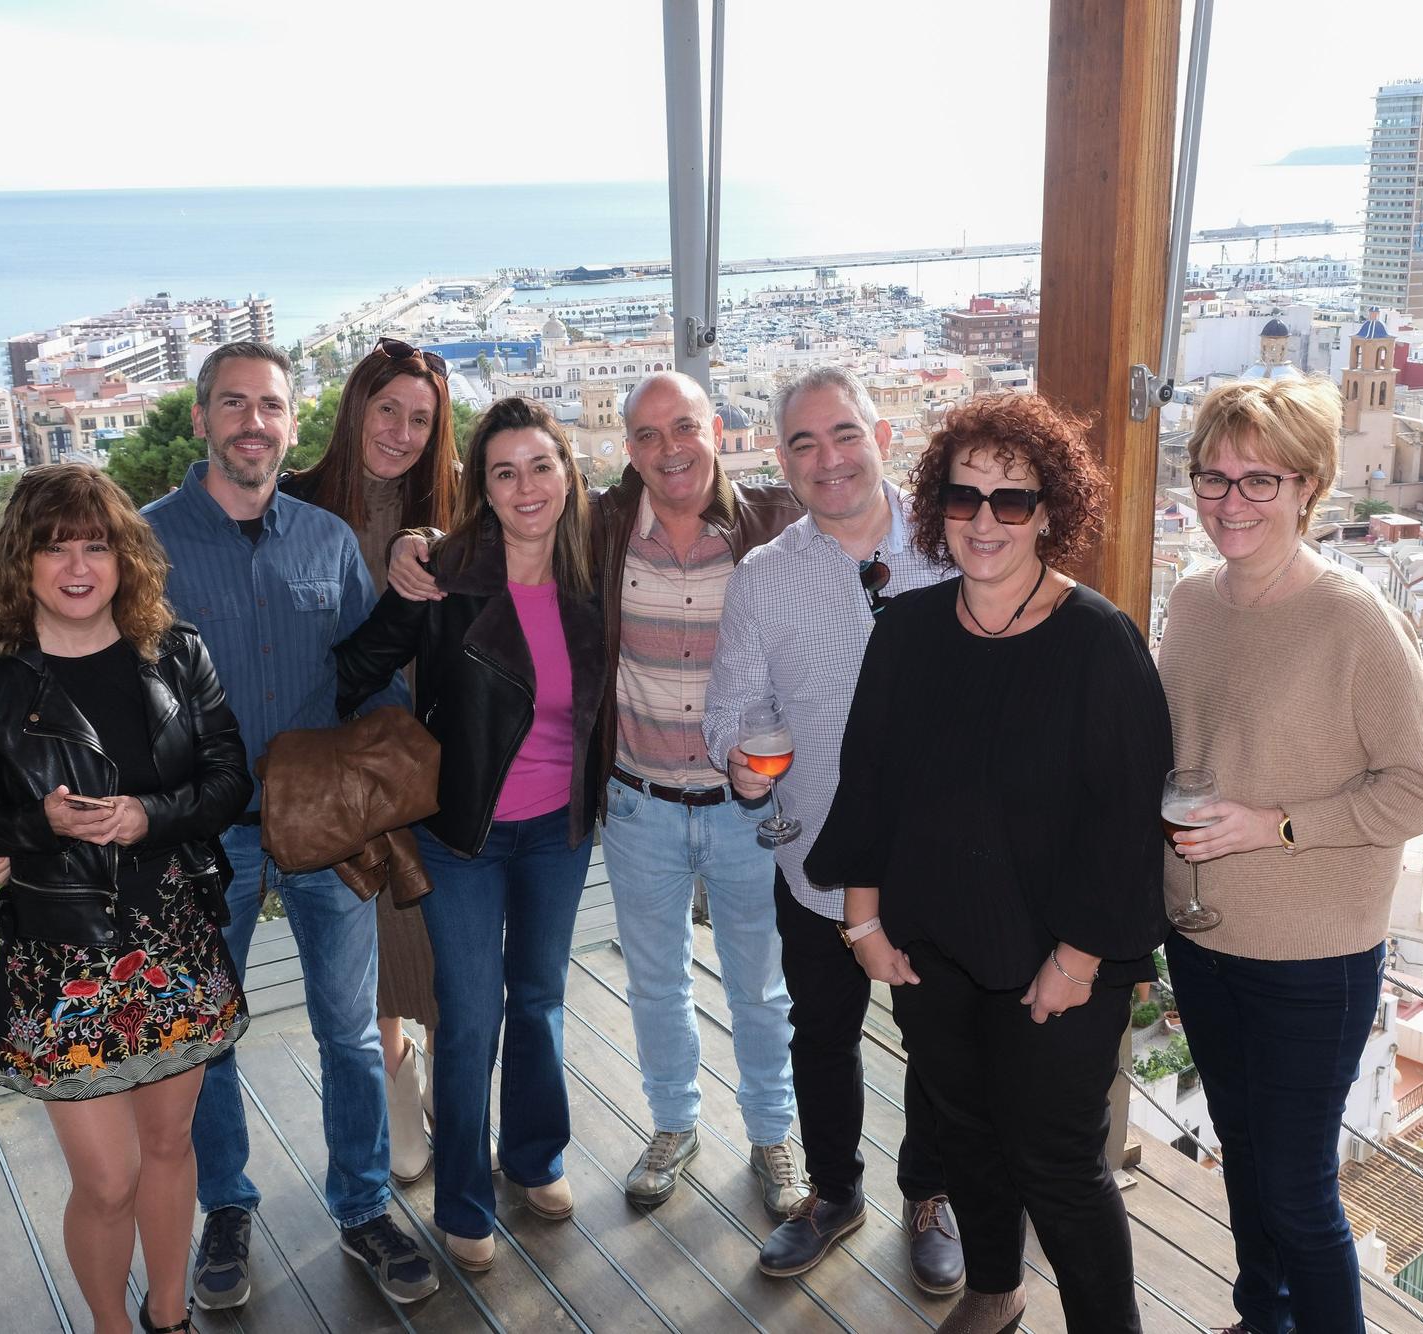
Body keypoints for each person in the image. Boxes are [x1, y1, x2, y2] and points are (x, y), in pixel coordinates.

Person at [389, 371, 808, 1219]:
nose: (668, 449)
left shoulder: (771, 525)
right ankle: (673, 1125)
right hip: (638, 802)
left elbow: (852, 527)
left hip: (742, 805)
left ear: (717, 429)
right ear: (625, 453)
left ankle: (774, 1135)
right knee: (655, 980)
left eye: (683, 428)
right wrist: (417, 539)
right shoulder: (607, 527)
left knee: (759, 985)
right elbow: (504, 527)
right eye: (647, 437)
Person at [807, 393, 1172, 1333]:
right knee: (964, 1132)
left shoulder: (1100, 643)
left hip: (1059, 957)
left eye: (1012, 501)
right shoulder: (909, 632)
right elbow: (869, 785)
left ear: (1051, 512)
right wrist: (863, 923)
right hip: (933, 944)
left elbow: (1127, 825)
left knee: (1057, 1164)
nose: (984, 521)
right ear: (939, 505)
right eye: (965, 498)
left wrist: (1079, 962)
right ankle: (996, 1289)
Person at [0, 463, 253, 1334]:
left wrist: (150, 816)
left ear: (124, 556)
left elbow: (227, 781)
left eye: (96, 545)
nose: (77, 566)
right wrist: (34, 824)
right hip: (63, 955)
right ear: (19, 562)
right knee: (107, 1180)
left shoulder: (174, 653)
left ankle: (170, 1315)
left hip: (174, 935)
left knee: (172, 1146)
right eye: (53, 546)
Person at [141, 342, 436, 1310]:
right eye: (233, 403)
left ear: (291, 425)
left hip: (324, 828)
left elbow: (364, 677)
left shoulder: (325, 540)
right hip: (205, 831)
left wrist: (381, 776)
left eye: (269, 406)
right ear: (200, 419)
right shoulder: (146, 543)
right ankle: (227, 1207)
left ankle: (360, 1204)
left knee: (350, 1030)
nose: (252, 422)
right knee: (210, 1032)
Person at [1159, 377, 1423, 1334]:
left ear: (1308, 487)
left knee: (1296, 1188)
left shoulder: (1352, 618)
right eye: (1215, 477)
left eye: (1260, 481)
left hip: (1312, 955)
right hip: (1202, 935)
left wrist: (1274, 823)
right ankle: (1265, 1316)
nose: (1232, 502)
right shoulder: (1194, 600)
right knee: (1242, 1154)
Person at [702, 367, 963, 1292]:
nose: (828, 459)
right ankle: (836, 1192)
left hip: (942, 863)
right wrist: (737, 756)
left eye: (843, 434)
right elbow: (731, 709)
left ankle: (931, 1195)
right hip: (816, 856)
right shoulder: (764, 578)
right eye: (804, 444)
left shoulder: (955, 548)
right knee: (821, 1034)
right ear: (781, 461)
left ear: (881, 434)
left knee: (936, 1041)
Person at [333, 396, 606, 1272]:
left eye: (540, 466)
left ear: (567, 473)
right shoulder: (445, 573)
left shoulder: (594, 568)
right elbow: (355, 667)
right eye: (503, 472)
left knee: (539, 1000)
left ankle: (535, 1158)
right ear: (481, 490)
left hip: (559, 831)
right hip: (466, 836)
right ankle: (463, 1198)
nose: (526, 487)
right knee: (471, 1016)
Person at [282, 336, 459, 1184]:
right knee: (378, 932)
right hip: (347, 766)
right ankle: (397, 1077)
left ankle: (434, 1076)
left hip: (439, 753)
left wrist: (427, 535)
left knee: (441, 931)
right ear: (354, 406)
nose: (400, 430)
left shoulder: (449, 514)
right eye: (386, 408)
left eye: (420, 418)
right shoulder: (296, 504)